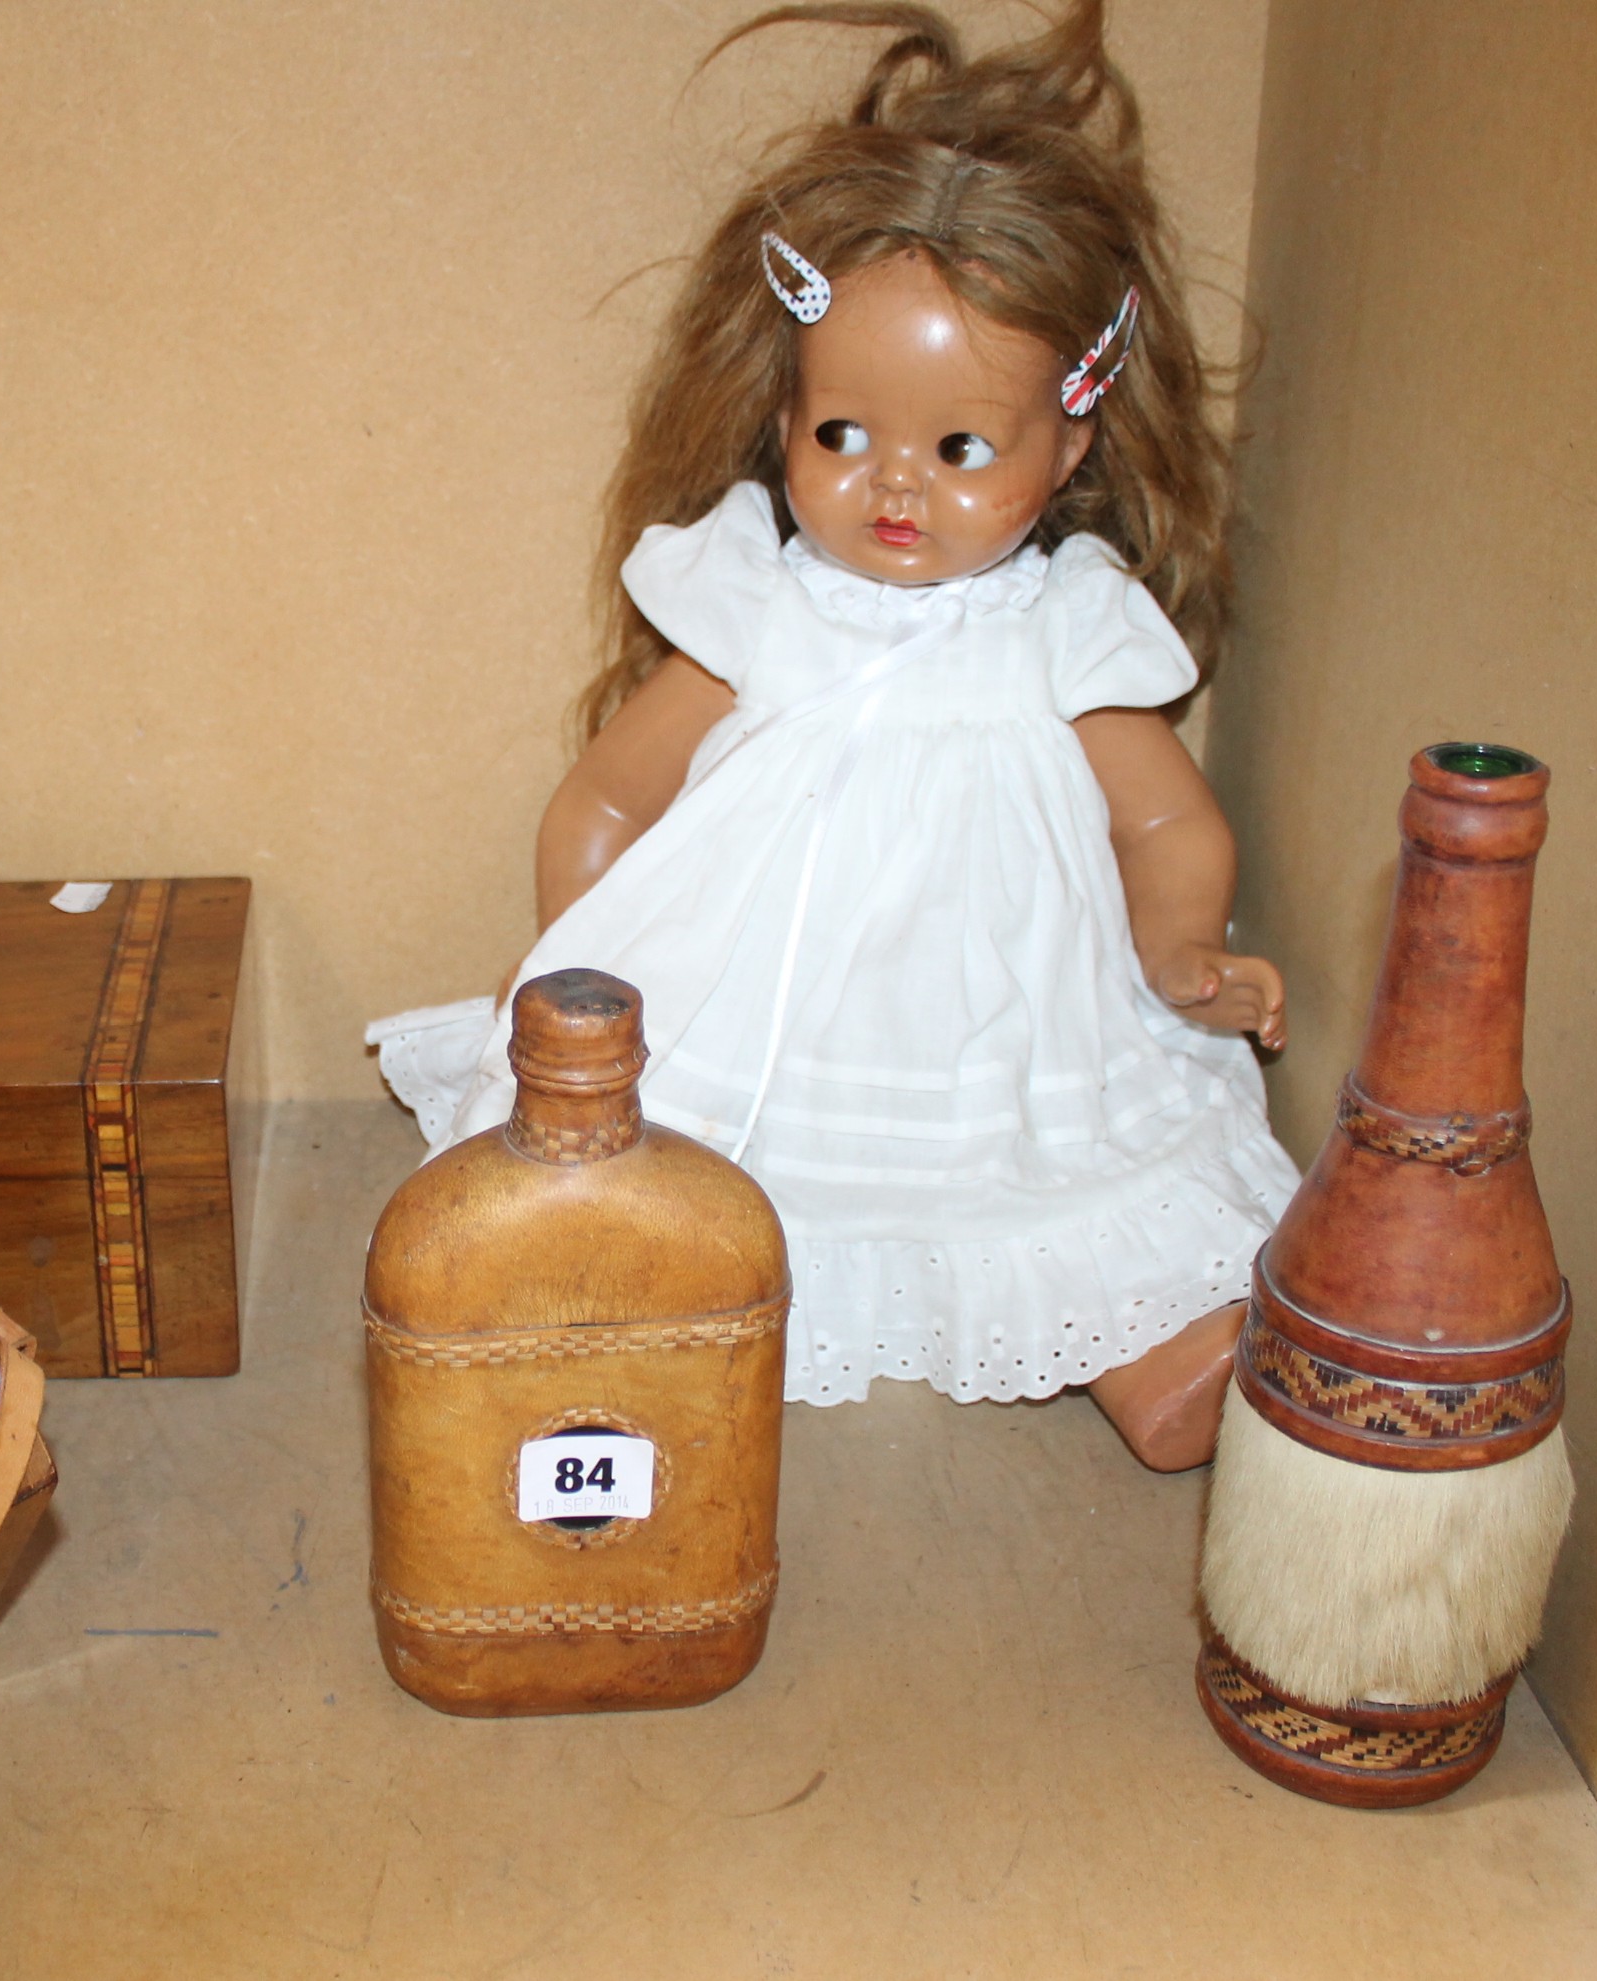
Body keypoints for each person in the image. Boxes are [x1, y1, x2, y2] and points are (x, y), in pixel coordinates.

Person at [368, 0, 1296, 1471]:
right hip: (764, 1018)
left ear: (1073, 444)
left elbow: (1167, 818)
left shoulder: (1061, 626)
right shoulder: (763, 605)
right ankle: (655, 1322)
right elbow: (612, 794)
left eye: (963, 447)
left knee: (1058, 1186)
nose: (893, 488)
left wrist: (1179, 953)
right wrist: (577, 966)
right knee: (679, 1204)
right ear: (783, 416)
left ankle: (1150, 1352)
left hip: (1008, 1032)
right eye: (841, 436)